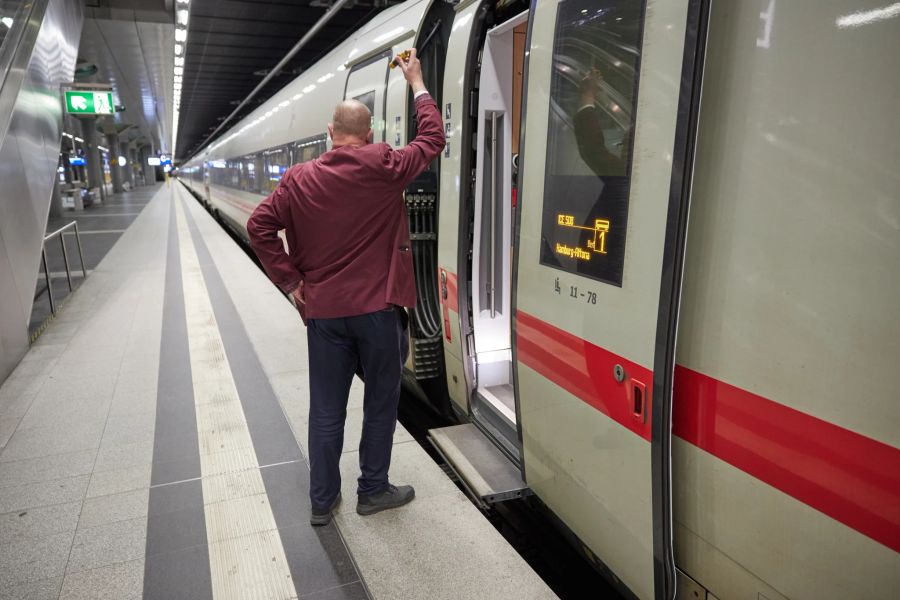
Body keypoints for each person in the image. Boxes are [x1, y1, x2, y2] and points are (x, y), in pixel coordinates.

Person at [247, 49, 444, 526]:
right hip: (379, 310)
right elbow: (433, 137)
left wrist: (293, 281)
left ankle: (321, 500)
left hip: (326, 314)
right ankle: (373, 491)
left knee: (326, 409)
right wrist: (416, 81)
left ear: (330, 135)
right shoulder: (385, 164)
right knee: (380, 402)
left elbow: (258, 227)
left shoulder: (297, 179)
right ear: (370, 134)